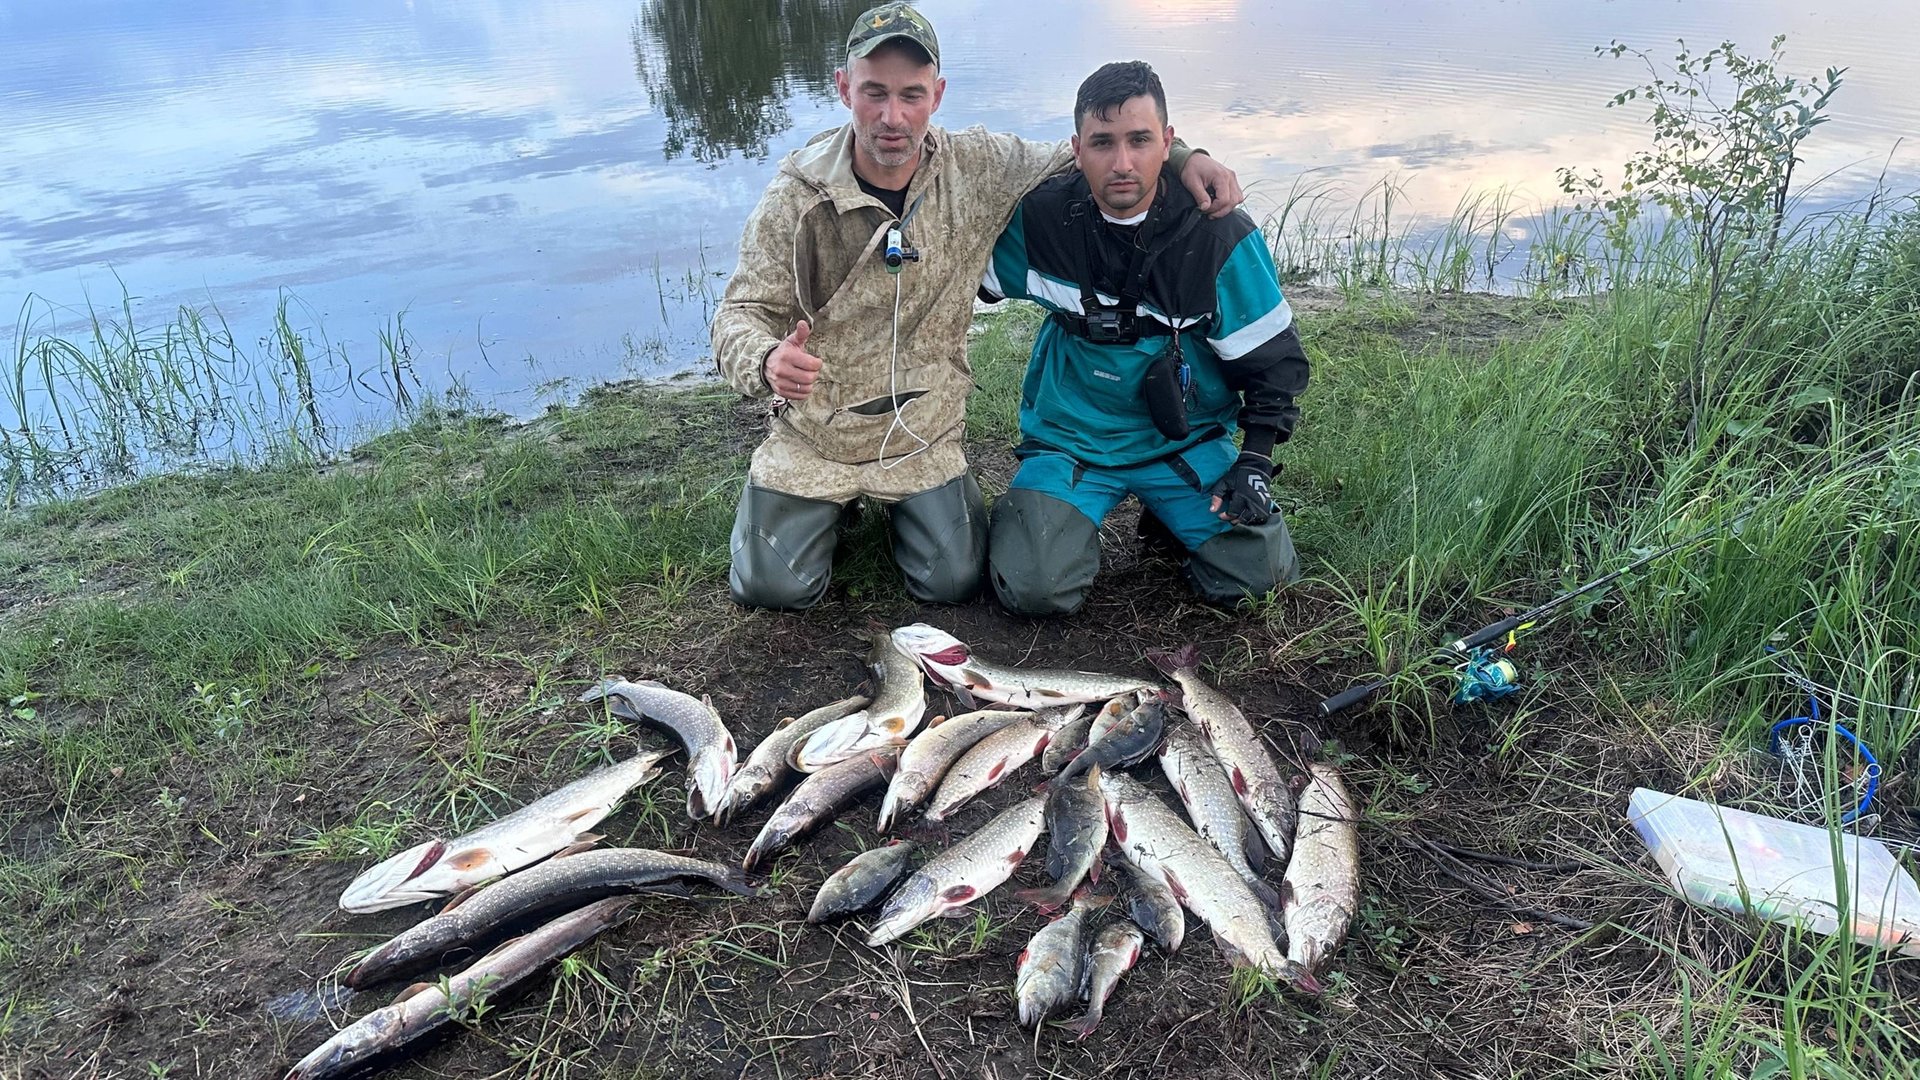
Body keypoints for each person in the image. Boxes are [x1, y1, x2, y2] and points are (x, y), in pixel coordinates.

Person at [711, 3, 1246, 611]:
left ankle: (896, 513)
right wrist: (765, 361)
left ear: (937, 94)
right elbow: (737, 314)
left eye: (912, 95)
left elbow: (1096, 153)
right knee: (769, 588)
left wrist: (1185, 158)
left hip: (921, 432)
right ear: (843, 89)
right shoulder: (797, 195)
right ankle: (828, 512)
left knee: (955, 582)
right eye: (874, 93)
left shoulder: (977, 167)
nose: (893, 117)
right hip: (818, 433)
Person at [981, 60, 1309, 614]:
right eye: (1103, 143)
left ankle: (1170, 515)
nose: (1123, 163)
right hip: (1072, 439)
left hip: (1184, 440)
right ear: (1076, 149)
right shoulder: (1038, 221)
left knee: (1264, 580)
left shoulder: (1219, 233)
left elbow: (1275, 364)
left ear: (1169, 142)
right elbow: (943, 282)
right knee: (1032, 589)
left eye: (1141, 140)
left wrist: (1252, 462)